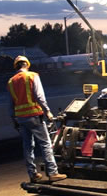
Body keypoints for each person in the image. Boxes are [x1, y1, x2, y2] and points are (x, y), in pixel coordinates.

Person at [7, 55, 67, 183]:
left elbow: (11, 103)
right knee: (45, 143)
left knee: (27, 146)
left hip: (20, 118)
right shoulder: (32, 76)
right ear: (27, 65)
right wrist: (48, 111)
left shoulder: (11, 81)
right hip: (34, 115)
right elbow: (39, 96)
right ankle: (52, 172)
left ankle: (33, 174)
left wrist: (14, 119)